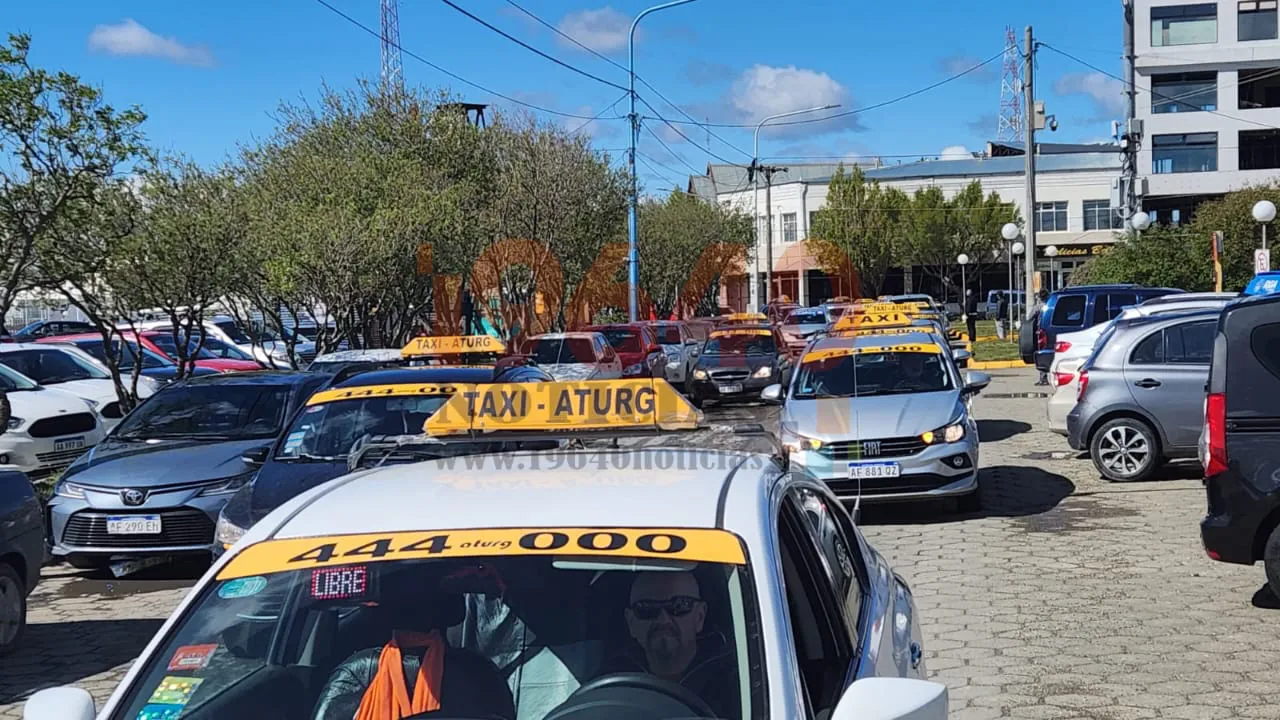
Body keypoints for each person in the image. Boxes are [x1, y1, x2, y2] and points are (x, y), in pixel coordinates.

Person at [604, 571, 737, 717]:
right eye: (646, 608)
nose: (663, 620)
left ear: (700, 617)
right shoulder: (607, 685)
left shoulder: (738, 686)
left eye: (679, 606)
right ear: (631, 623)